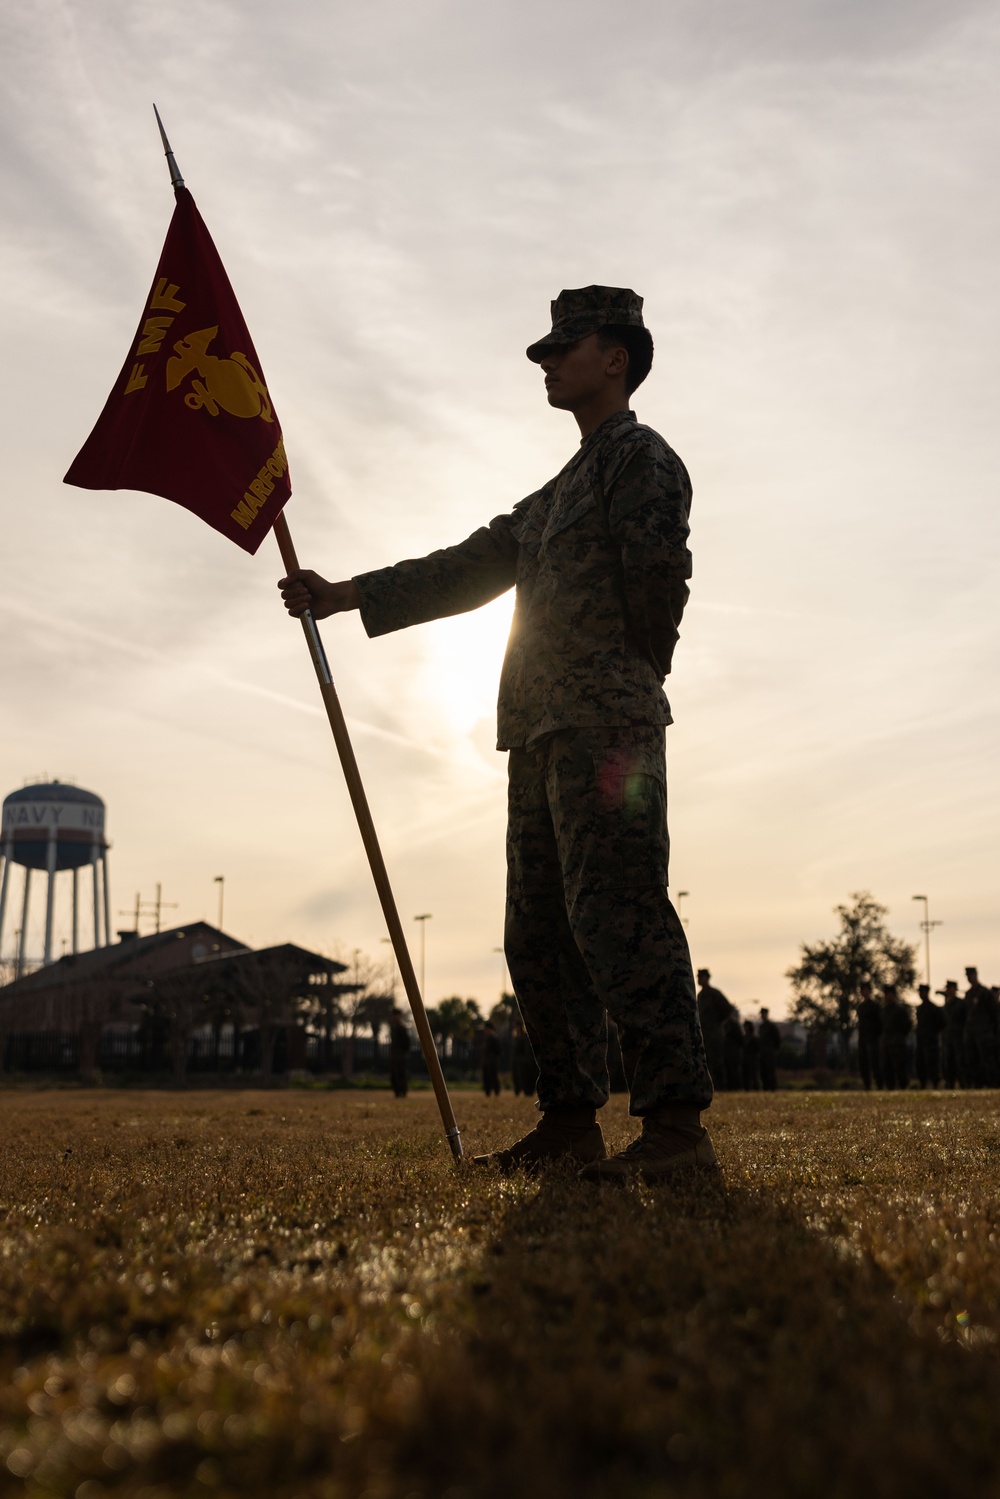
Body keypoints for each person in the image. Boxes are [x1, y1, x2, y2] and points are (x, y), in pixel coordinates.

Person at [280, 285, 715, 1184]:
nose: (548, 364)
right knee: (539, 931)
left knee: (620, 915)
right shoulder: (555, 493)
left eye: (565, 348)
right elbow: (473, 564)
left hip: (607, 727)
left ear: (617, 358)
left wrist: (627, 681)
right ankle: (570, 1119)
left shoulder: (641, 459)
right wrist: (347, 592)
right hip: (541, 732)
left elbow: (659, 587)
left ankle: (677, 1127)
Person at [697, 969, 734, 1093]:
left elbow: (727, 1009)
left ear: (707, 978)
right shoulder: (700, 995)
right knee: (706, 1062)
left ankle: (721, 1087)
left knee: (717, 1062)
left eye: (701, 977)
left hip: (715, 1034)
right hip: (704, 1034)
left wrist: (717, 1022)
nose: (698, 979)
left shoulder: (714, 994)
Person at [964, 966, 999, 1087]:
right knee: (973, 1060)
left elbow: (994, 1013)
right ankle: (978, 1083)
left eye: (971, 975)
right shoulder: (968, 994)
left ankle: (993, 1084)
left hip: (984, 1034)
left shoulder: (984, 993)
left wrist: (990, 1030)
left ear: (975, 975)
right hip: (972, 1033)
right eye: (967, 976)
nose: (969, 978)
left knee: (987, 1060)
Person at [879, 984, 912, 1090]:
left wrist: (899, 1037)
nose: (887, 996)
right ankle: (890, 1086)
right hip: (886, 1043)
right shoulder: (883, 1010)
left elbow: (907, 1025)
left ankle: (903, 1086)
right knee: (887, 1067)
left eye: (889, 994)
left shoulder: (899, 1010)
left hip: (897, 1043)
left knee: (899, 1066)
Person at [914, 984, 944, 1089]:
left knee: (932, 1063)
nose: (921, 994)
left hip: (931, 1041)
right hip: (921, 1040)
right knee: (920, 1063)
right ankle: (923, 1083)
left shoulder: (933, 1008)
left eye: (922, 992)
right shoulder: (920, 1009)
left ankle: (935, 1083)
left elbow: (941, 1023)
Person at [856, 980, 883, 1090]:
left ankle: (879, 1084)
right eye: (863, 990)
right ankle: (867, 1085)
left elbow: (880, 1023)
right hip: (863, 1039)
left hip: (873, 1039)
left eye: (866, 990)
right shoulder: (861, 1007)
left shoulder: (875, 1006)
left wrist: (876, 1035)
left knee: (875, 1063)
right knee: (864, 1063)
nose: (864, 992)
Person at [939, 980, 966, 1088]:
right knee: (948, 1061)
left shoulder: (960, 1003)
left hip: (958, 1037)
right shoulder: (947, 1004)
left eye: (950, 988)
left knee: (959, 1060)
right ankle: (949, 1083)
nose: (948, 991)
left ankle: (963, 1082)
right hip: (948, 1037)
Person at [510, 1019, 538, 1097]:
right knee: (516, 1077)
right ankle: (517, 1091)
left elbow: (527, 1050)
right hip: (516, 1061)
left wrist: (525, 1060)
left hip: (523, 1062)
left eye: (518, 1027)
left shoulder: (524, 1037)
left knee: (525, 1078)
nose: (517, 1029)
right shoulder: (515, 1038)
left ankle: (528, 1092)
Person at [388, 1006, 411, 1099]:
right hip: (394, 1055)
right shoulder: (393, 1028)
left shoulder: (402, 1028)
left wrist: (404, 1052)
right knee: (394, 1074)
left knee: (401, 1074)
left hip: (401, 1055)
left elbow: (406, 1042)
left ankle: (403, 1091)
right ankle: (397, 1092)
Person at [758, 1007, 781, 1092]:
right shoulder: (761, 1026)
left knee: (770, 1070)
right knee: (763, 1071)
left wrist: (775, 1050)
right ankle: (765, 1087)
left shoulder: (771, 1026)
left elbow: (777, 1039)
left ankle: (772, 1087)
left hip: (770, 1052)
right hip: (763, 1052)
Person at [481, 1021, 502, 1097]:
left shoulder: (494, 1038)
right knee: (486, 1078)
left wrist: (493, 1057)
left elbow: (498, 1051)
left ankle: (496, 1092)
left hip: (493, 1062)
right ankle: (487, 1092)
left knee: (493, 1077)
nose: (485, 1031)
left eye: (486, 1029)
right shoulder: (486, 1039)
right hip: (486, 1062)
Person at [741, 1020, 761, 1091]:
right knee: (745, 1076)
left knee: (754, 1076)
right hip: (745, 1059)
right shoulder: (743, 1038)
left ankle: (756, 1089)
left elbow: (758, 1049)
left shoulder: (754, 1039)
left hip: (753, 1060)